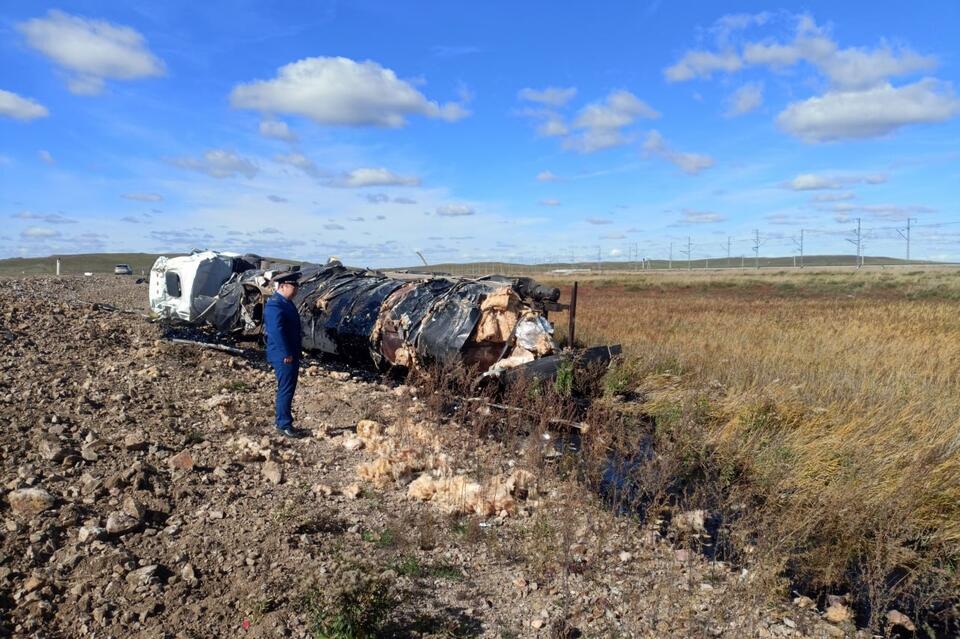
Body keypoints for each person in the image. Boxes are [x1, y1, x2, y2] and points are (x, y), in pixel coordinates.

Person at [263, 271, 307, 438]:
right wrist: (286, 353)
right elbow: (276, 332)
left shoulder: (286, 303)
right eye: (294, 286)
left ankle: (285, 422)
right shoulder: (275, 304)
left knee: (289, 388)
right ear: (283, 286)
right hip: (284, 356)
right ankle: (283, 424)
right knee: (285, 389)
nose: (296, 290)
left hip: (290, 353)